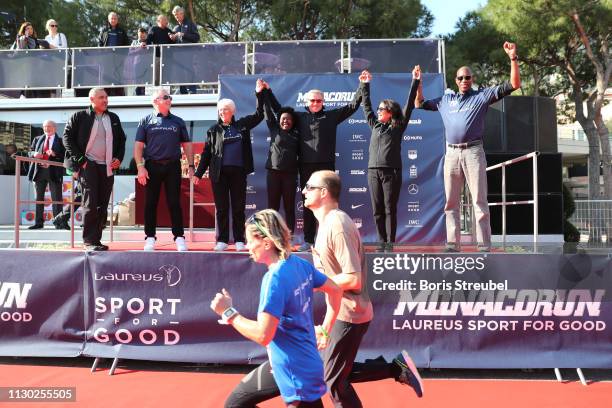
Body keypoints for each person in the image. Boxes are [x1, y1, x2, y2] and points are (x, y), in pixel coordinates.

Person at [210, 209, 343, 408]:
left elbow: (264, 335)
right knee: (235, 403)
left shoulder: (274, 279)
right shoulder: (299, 263)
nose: (247, 246)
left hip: (296, 376)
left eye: (249, 240)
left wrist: (228, 312)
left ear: (266, 242)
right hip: (299, 365)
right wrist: (325, 329)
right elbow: (335, 290)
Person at [416, 41, 521, 253]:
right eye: (461, 78)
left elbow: (514, 84)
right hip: (452, 153)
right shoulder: (445, 100)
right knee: (450, 204)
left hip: (473, 152)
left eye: (468, 77)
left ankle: (484, 245)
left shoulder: (481, 96)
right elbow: (419, 104)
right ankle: (452, 244)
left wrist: (513, 58)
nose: (464, 80)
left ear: (472, 80)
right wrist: (418, 84)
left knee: (479, 202)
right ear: (456, 81)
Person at [267, 82, 362, 251]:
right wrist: (267, 91)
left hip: (326, 167)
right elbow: (279, 110)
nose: (315, 103)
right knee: (309, 203)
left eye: (318, 101)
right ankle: (309, 240)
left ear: (323, 102)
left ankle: (328, 240)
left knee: (328, 204)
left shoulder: (332, 116)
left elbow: (353, 106)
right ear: (307, 102)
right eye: (312, 100)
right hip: (306, 167)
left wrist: (364, 85)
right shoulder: (299, 118)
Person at [193, 81, 264, 252]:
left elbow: (259, 115)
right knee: (222, 208)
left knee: (239, 207)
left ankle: (239, 239)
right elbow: (207, 153)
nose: (222, 112)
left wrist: (259, 94)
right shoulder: (213, 130)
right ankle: (223, 240)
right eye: (220, 110)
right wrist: (198, 173)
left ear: (232, 112)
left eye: (225, 109)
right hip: (219, 174)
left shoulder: (242, 125)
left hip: (239, 173)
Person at [359, 66, 421, 252]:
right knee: (377, 210)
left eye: (382, 109)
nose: (378, 112)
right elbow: (367, 106)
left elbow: (409, 105)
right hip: (372, 171)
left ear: (391, 112)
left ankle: (389, 244)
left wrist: (415, 81)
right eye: (378, 110)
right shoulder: (374, 125)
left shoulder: (398, 126)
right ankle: (381, 243)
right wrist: (365, 84)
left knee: (389, 209)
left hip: (391, 172)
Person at [63, 87, 126, 251]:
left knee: (102, 205)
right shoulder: (80, 116)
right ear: (92, 100)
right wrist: (80, 160)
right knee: (90, 204)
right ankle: (89, 241)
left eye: (106, 97)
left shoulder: (113, 117)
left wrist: (119, 158)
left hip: (107, 167)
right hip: (88, 165)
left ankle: (96, 240)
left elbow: (122, 140)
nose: (105, 100)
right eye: (101, 98)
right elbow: (67, 138)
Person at [134, 88, 194, 252]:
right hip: (152, 166)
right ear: (155, 101)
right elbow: (138, 146)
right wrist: (140, 167)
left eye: (170, 97)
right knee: (150, 203)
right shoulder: (145, 120)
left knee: (174, 202)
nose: (169, 99)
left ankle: (179, 237)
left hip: (173, 166)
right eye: (165, 97)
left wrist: (191, 165)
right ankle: (150, 237)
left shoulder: (178, 121)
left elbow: (187, 145)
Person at [261, 82, 300, 238]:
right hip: (273, 174)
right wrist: (264, 92)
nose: (285, 121)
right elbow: (268, 110)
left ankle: (289, 235)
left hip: (290, 175)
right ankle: (272, 234)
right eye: (283, 119)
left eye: (288, 119)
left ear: (293, 121)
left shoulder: (298, 133)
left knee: (289, 207)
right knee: (273, 207)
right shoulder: (274, 128)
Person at [27, 120, 65, 229]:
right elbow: (29, 152)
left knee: (56, 199)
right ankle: (39, 223)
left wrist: (54, 154)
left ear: (55, 128)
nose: (46, 129)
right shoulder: (37, 139)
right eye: (44, 127)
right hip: (39, 172)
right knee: (39, 199)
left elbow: (64, 157)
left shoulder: (61, 141)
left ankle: (58, 223)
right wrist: (34, 154)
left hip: (54, 172)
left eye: (49, 126)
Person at [170, 5, 200, 94]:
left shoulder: (190, 24)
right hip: (178, 55)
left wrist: (183, 35)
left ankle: (192, 91)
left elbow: (197, 37)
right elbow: (172, 42)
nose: (176, 17)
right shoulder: (175, 28)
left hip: (189, 53)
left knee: (189, 70)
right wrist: (171, 37)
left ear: (182, 14)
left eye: (178, 14)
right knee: (180, 72)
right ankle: (183, 91)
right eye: (175, 15)